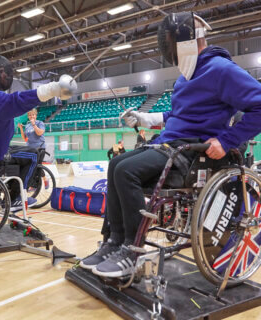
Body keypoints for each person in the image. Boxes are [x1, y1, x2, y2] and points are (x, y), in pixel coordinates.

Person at [79, 12, 261, 278]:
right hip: (171, 144)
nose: (168, 49)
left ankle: (133, 250)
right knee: (116, 163)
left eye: (170, 42)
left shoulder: (221, 70)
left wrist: (228, 140)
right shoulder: (184, 77)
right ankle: (114, 241)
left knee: (125, 171)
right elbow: (177, 116)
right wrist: (145, 117)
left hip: (193, 152)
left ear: (188, 41)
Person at [0, 54, 77, 211]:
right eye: (2, 72)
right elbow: (19, 100)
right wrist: (53, 89)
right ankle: (16, 197)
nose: (6, 75)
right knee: (32, 155)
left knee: (15, 153)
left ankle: (5, 189)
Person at [18, 109, 49, 189]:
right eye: (30, 115)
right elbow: (25, 138)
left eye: (33, 115)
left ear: (36, 115)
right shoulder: (27, 126)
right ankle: (38, 182)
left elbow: (39, 133)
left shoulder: (40, 123)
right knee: (31, 166)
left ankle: (37, 183)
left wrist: (34, 125)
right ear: (28, 116)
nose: (31, 116)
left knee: (37, 165)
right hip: (30, 148)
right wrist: (21, 128)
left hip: (40, 147)